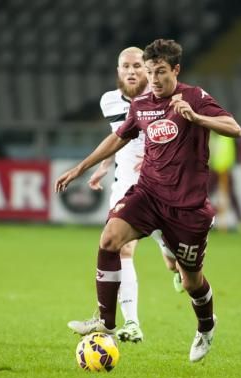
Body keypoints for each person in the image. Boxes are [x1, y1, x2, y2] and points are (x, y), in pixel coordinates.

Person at [55, 39, 241, 363]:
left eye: (160, 73)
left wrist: (197, 118)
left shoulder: (194, 97)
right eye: (150, 72)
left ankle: (206, 326)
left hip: (186, 207)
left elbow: (234, 128)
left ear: (176, 70)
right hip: (148, 194)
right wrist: (80, 167)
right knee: (111, 239)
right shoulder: (141, 104)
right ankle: (107, 322)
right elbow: (117, 137)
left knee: (191, 280)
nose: (153, 80)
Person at [68, 47, 181, 343]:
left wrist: (158, 158)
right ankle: (131, 323)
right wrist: (104, 166)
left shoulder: (165, 99)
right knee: (120, 248)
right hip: (127, 183)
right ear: (118, 71)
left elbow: (180, 135)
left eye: (135, 66)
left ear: (146, 69)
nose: (130, 71)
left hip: (163, 185)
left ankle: (178, 265)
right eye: (124, 66)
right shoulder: (109, 101)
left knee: (174, 262)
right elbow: (120, 135)